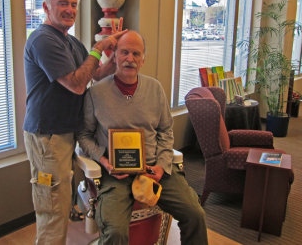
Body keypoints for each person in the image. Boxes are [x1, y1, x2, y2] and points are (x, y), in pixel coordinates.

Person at [77, 30, 208, 245]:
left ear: (143, 60)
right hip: (115, 175)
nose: (130, 59)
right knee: (115, 231)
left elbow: (165, 131)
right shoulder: (96, 94)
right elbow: (83, 135)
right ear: (115, 57)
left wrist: (162, 165)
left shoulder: (155, 89)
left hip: (154, 170)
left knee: (195, 213)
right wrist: (104, 161)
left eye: (136, 54)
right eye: (125, 52)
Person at [23, 0, 126, 245]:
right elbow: (77, 84)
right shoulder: (43, 40)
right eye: (63, 4)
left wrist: (113, 58)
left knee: (61, 202)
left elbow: (95, 75)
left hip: (64, 131)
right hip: (47, 135)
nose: (70, 9)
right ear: (46, 7)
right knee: (52, 209)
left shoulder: (69, 40)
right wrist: (98, 48)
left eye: (74, 4)